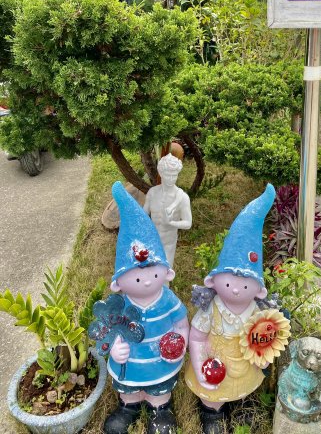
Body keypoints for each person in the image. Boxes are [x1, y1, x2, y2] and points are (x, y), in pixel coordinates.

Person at [185, 185, 276, 434]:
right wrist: (199, 361)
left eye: (245, 284)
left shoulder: (258, 312)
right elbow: (197, 337)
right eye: (228, 282)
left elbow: (264, 340)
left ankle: (240, 402)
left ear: (258, 290)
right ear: (212, 282)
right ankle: (211, 412)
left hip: (244, 365)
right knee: (213, 395)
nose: (236, 290)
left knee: (244, 386)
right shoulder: (210, 309)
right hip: (214, 363)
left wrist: (262, 358)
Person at [102, 182, 189, 434]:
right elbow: (110, 330)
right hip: (129, 362)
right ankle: (128, 407)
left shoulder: (168, 300)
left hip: (160, 360)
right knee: (128, 391)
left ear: (167, 272)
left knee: (159, 391)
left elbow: (182, 324)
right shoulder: (120, 304)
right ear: (119, 283)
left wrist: (179, 342)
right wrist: (115, 347)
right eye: (137, 277)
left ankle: (159, 409)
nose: (147, 280)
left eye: (153, 272)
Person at [143, 153, 192, 268]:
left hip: (168, 242)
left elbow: (188, 223)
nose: (171, 179)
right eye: (168, 175)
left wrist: (172, 223)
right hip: (151, 239)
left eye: (174, 175)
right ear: (161, 173)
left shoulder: (182, 197)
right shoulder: (152, 193)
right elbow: (143, 215)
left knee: (165, 272)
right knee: (150, 272)